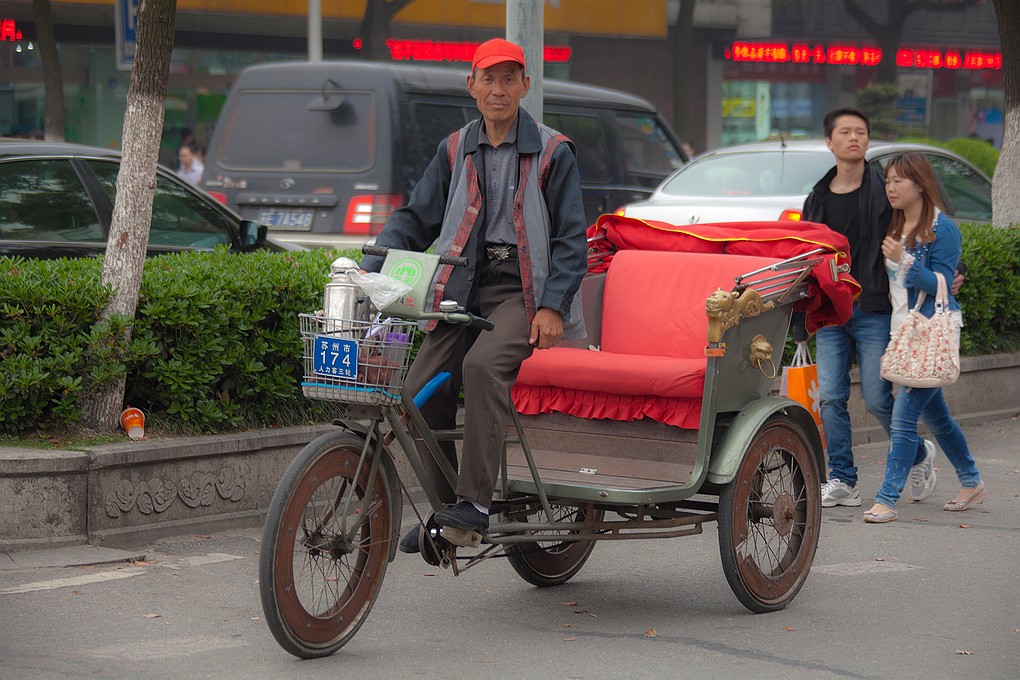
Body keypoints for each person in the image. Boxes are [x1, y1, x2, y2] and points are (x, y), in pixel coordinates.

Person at [358, 38, 587, 551]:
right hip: (461, 286)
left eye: (509, 79)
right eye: (488, 79)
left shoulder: (554, 151)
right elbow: (416, 219)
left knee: (482, 367)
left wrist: (553, 306)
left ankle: (474, 507)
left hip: (523, 291)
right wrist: (368, 267)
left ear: (525, 86)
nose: (498, 90)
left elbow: (572, 239)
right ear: (472, 86)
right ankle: (447, 515)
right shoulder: (454, 148)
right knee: (416, 392)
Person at [799, 107, 937, 508]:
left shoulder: (884, 189)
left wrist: (951, 266)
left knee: (877, 398)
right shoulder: (817, 198)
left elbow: (922, 223)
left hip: (874, 308)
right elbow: (804, 254)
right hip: (831, 311)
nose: (853, 138)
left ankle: (917, 453)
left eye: (860, 131)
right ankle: (843, 478)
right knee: (831, 398)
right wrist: (800, 317)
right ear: (830, 142)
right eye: (844, 132)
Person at [863, 152, 985, 522]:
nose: (891, 187)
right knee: (939, 418)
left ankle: (887, 499)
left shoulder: (941, 229)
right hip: (905, 332)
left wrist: (906, 260)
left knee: (903, 418)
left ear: (920, 183)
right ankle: (971, 480)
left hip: (929, 333)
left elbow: (942, 284)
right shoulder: (896, 225)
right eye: (888, 181)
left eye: (898, 180)